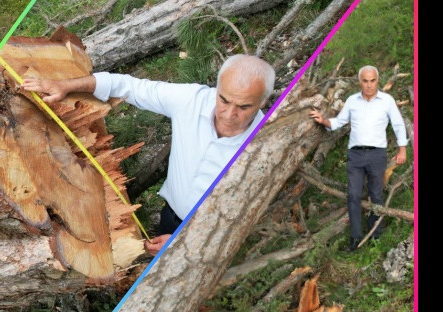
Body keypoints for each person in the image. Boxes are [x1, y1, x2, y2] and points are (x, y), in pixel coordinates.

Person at [20, 54, 275, 255]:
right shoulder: (193, 100)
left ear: (263, 102)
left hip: (211, 238)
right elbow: (129, 87)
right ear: (217, 88)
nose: (229, 114)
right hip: (170, 217)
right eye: (224, 100)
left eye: (244, 107)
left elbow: (244, 216)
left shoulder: (267, 145)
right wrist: (64, 85)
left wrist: (188, 241)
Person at [309, 65, 408, 251]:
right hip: (355, 155)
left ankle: (375, 235)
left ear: (377, 81)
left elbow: (398, 124)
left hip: (377, 154)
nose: (369, 85)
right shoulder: (352, 101)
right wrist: (323, 121)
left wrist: (402, 149)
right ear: (359, 82)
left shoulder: (387, 101)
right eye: (365, 81)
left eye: (373, 81)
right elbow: (339, 122)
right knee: (353, 195)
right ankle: (355, 238)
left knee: (376, 194)